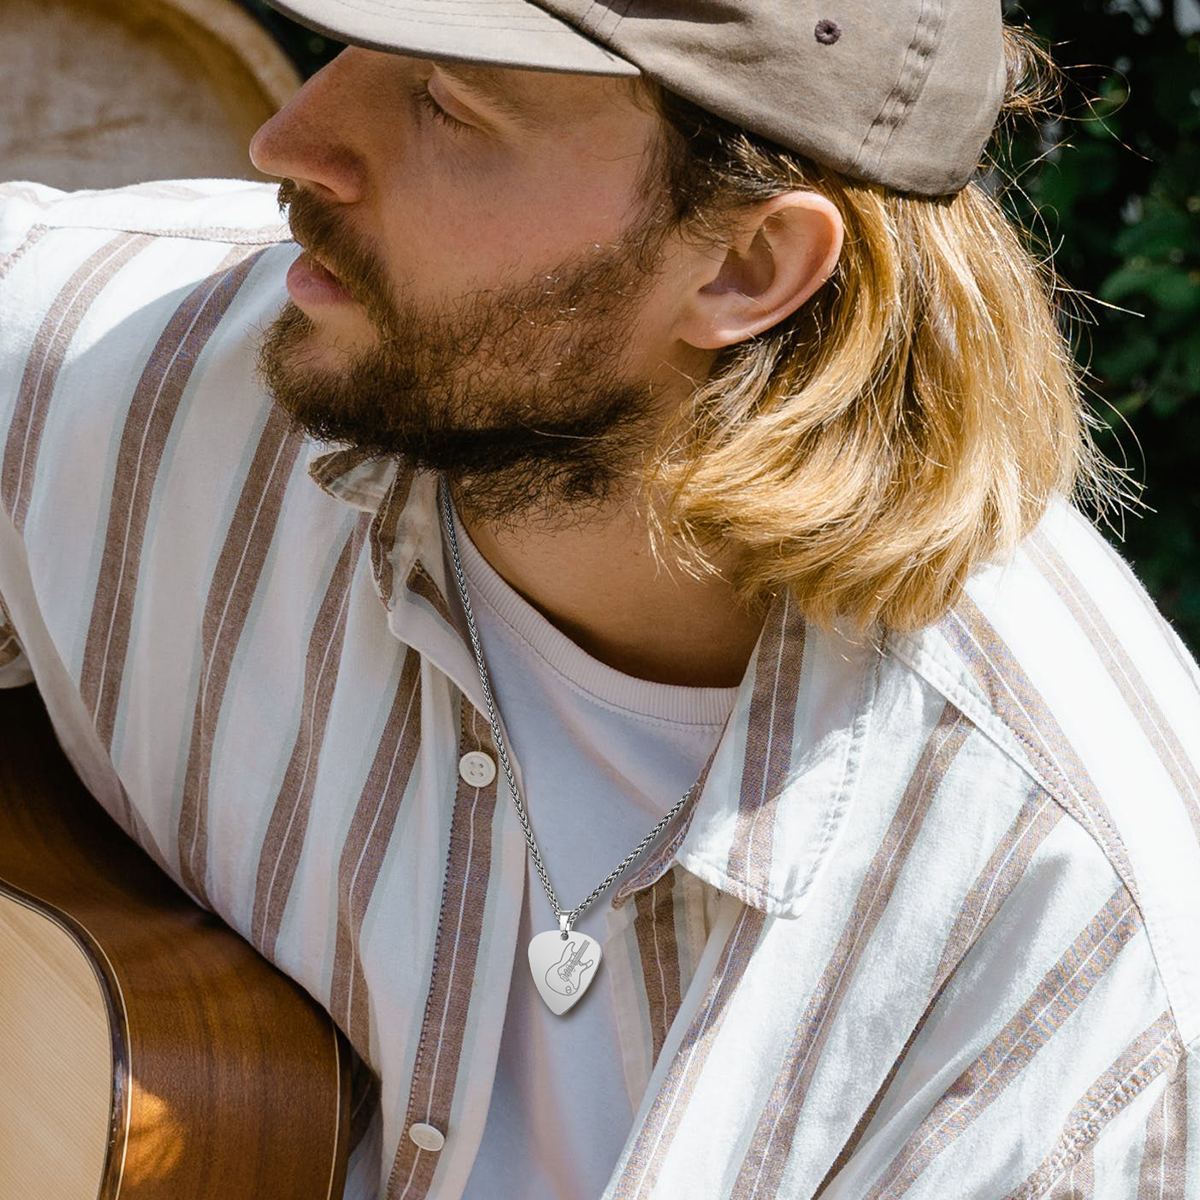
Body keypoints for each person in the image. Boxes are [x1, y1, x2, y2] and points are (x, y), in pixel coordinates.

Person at [1, 1, 1197, 1196]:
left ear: (747, 265)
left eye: (449, 103)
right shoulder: (105, 365)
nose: (291, 137)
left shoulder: (1073, 941)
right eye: (348, 42)